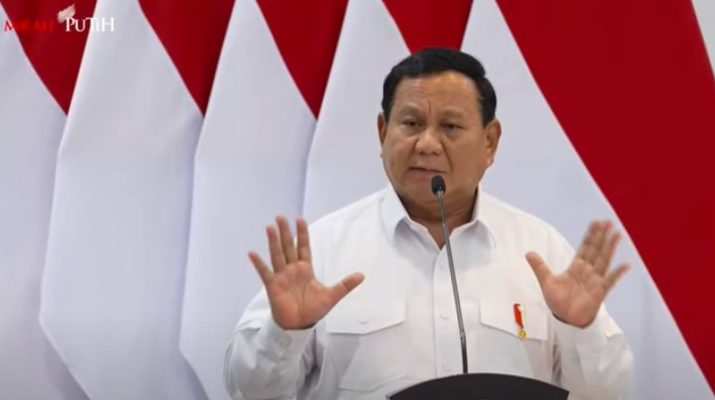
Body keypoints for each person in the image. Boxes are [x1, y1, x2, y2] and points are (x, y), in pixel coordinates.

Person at [224, 47, 633, 400]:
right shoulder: (324, 250)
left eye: (450, 127)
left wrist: (580, 328)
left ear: (489, 142)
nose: (427, 143)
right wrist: (285, 331)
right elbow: (249, 393)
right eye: (411, 124)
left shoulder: (540, 250)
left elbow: (607, 395)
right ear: (383, 132)